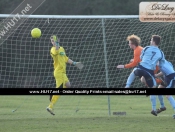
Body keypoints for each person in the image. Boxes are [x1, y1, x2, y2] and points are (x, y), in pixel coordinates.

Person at [47, 35, 82, 115]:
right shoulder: (53, 49)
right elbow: (56, 50)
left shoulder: (62, 48)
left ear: (58, 40)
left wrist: (74, 63)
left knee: (68, 85)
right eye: (52, 41)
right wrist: (56, 43)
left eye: (54, 40)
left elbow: (66, 58)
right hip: (58, 72)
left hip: (63, 73)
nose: (53, 42)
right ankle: (50, 106)